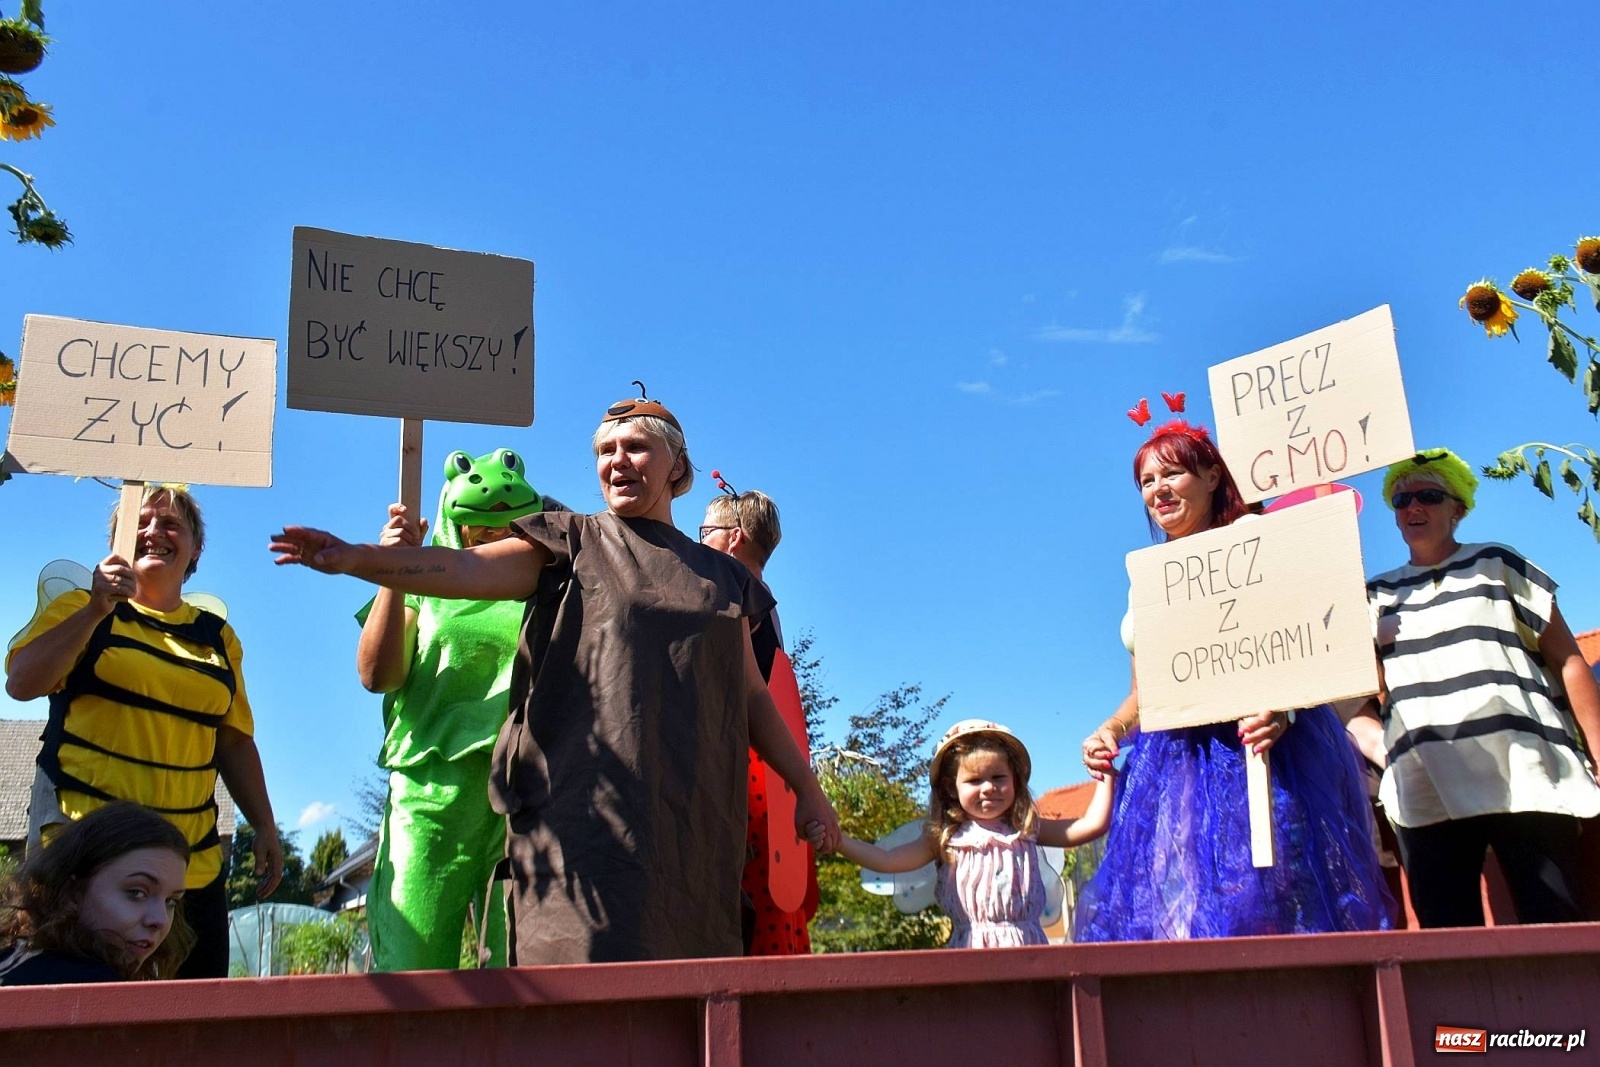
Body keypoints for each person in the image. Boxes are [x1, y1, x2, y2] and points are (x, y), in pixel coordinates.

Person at [270, 390, 841, 964]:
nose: (617, 461)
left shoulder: (721, 578)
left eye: (637, 448)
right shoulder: (570, 542)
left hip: (692, 835)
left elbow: (750, 696)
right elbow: (461, 566)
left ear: (678, 467)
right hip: (581, 839)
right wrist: (358, 559)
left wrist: (806, 788)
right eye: (605, 450)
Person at [1075, 418, 1393, 940]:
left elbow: (1314, 640)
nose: (1158, 490)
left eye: (1172, 474)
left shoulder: (1258, 540)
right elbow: (1146, 691)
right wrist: (1111, 728)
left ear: (1212, 478)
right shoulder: (1149, 578)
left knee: (1277, 899)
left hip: (1268, 754)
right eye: (1146, 482)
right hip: (1178, 761)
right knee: (1188, 906)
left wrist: (1285, 709)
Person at [6, 485, 282, 978]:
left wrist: (264, 824)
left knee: (191, 1027)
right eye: (142, 521)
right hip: (85, 860)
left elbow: (234, 739)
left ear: (196, 547)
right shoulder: (79, 607)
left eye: (171, 523)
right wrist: (95, 609)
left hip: (187, 871)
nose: (154, 531)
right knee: (77, 1011)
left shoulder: (217, 637)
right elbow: (23, 683)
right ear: (116, 541)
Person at [1351, 448, 1600, 927]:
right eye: (1401, 500)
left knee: (1556, 923)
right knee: (1448, 938)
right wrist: (1382, 746)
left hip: (1528, 775)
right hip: (1427, 788)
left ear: (1457, 507)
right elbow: (1353, 694)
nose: (1413, 507)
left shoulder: (1498, 563)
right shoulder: (1374, 595)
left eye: (1428, 495)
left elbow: (1568, 659)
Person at [356, 448, 559, 971]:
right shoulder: (428, 584)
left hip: (524, 794)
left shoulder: (543, 586)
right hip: (432, 794)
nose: (491, 541)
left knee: (521, 970)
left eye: (503, 530)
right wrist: (395, 569)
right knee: (412, 968)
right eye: (478, 532)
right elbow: (377, 676)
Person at [835, 720, 1111, 948]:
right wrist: (839, 841)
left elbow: (1091, 825)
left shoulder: (1025, 829)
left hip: (1029, 950)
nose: (988, 787)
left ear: (1015, 780)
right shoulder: (946, 838)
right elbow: (887, 861)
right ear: (952, 789)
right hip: (969, 953)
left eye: (998, 777)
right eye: (974, 780)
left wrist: (1105, 772)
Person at [701, 483, 817, 955]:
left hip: (744, 766)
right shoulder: (766, 601)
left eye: (703, 529)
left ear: (733, 538)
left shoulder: (730, 596)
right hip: (776, 775)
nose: (697, 539)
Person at [0, 801, 194, 985]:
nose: (160, 920)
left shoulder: (13, 958)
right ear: (72, 892)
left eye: (171, 901)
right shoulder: (94, 985)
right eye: (136, 893)